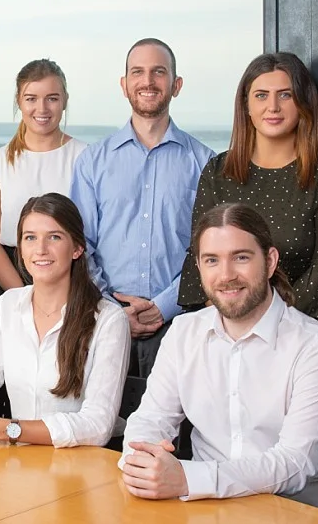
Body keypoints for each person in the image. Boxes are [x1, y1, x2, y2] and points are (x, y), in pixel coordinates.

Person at [120, 202, 318, 515]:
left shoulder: (316, 347)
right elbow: (152, 418)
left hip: (298, 513)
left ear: (269, 261)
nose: (225, 275)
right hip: (206, 510)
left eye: (241, 257)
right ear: (199, 268)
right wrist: (141, 462)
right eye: (212, 260)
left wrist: (188, 479)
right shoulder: (184, 332)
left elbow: (295, 464)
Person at [70, 39, 215, 378]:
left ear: (176, 85)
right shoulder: (92, 162)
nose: (148, 82)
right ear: (124, 85)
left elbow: (209, 251)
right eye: (138, 72)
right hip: (101, 322)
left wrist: (166, 305)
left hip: (180, 325)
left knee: (170, 431)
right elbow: (80, 245)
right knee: (100, 429)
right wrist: (111, 308)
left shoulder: (205, 163)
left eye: (159, 72)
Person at [179, 53, 318, 330]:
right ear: (246, 105)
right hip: (223, 332)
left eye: (285, 95)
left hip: (299, 331)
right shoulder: (217, 171)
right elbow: (202, 256)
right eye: (261, 95)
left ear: (303, 103)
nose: (273, 106)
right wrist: (233, 328)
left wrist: (263, 324)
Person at [0, 193, 129, 448]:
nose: (40, 249)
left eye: (54, 237)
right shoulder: (8, 305)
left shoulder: (108, 319)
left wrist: (5, 429)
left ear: (77, 248)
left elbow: (98, 425)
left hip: (80, 468)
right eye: (30, 238)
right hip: (20, 462)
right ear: (20, 248)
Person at [0, 59, 87, 291]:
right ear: (19, 102)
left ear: (64, 100)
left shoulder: (86, 157)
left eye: (52, 98)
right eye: (31, 99)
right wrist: (23, 296)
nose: (42, 109)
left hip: (75, 281)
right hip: (11, 281)